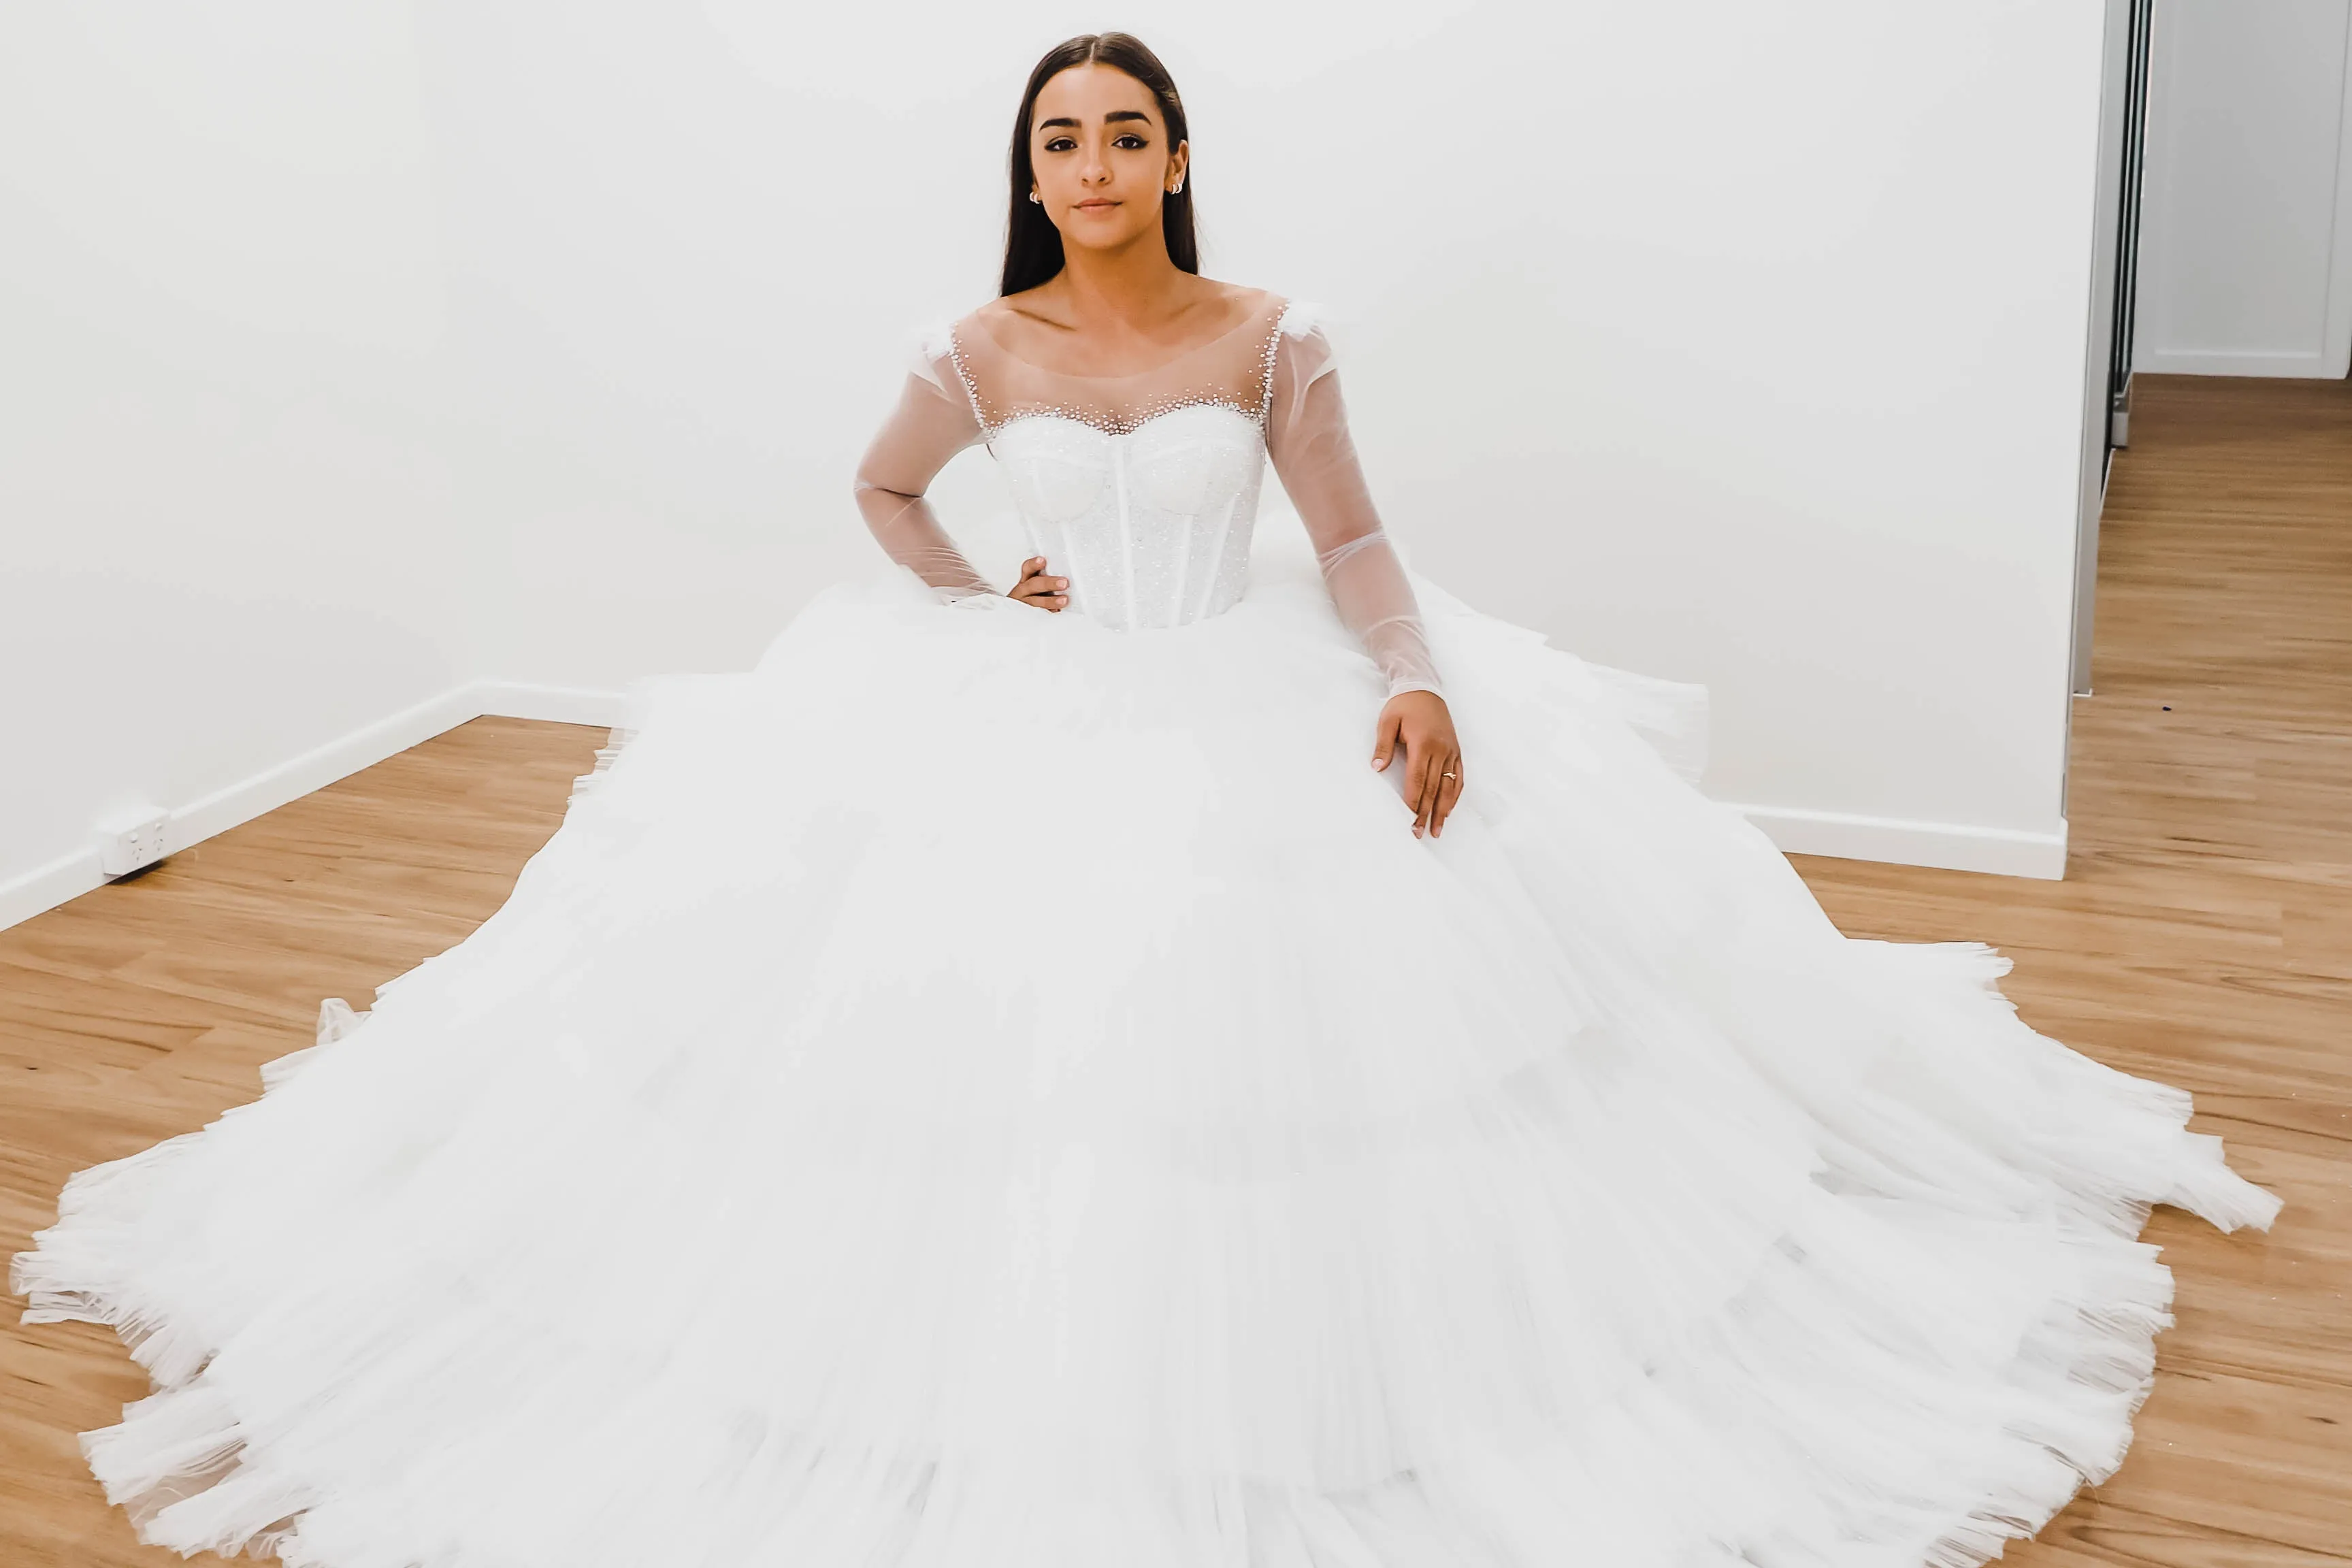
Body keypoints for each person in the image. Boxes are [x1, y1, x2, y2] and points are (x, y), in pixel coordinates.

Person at [14, 31, 2282, 1568]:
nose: (1085, 168)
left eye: (1118, 134)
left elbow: (1364, 540)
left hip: (1249, 692)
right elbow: (877, 492)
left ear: (1178, 154)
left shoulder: (1269, 331)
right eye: (1053, 143)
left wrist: (1408, 683)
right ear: (1029, 176)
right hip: (1044, 703)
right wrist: (975, 589)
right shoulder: (981, 348)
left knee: (1343, 1052)